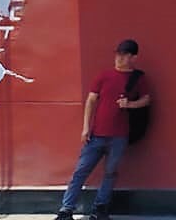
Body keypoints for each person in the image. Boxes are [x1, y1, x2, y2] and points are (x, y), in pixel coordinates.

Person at [55, 39, 151, 220]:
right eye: (118, 54)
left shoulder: (138, 78)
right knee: (80, 172)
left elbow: (147, 99)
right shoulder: (104, 75)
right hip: (97, 134)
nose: (119, 58)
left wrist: (130, 104)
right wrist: (85, 128)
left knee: (110, 173)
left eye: (123, 55)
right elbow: (91, 100)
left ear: (133, 57)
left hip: (120, 136)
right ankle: (66, 210)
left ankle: (100, 210)